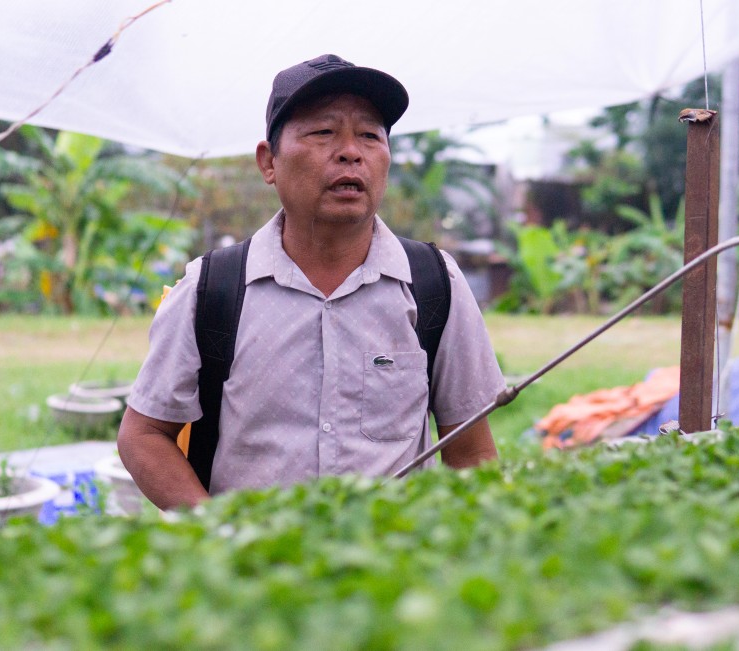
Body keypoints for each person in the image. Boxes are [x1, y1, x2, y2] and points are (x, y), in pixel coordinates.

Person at [117, 54, 503, 510]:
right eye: (323, 132)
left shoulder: (434, 283)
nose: (350, 152)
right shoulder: (213, 289)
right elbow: (143, 435)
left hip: (396, 567)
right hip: (250, 568)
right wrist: (214, 532)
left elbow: (472, 449)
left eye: (369, 135)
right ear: (268, 163)